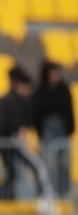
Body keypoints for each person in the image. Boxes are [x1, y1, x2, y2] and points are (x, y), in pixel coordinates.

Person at [0, 66, 56, 215]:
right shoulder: (14, 100)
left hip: (3, 143)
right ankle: (45, 200)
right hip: (13, 141)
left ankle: (2, 198)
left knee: (12, 174)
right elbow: (18, 126)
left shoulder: (3, 100)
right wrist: (19, 132)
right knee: (38, 166)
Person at [33, 61, 74, 198]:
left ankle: (63, 192)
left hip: (62, 130)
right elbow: (37, 112)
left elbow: (69, 111)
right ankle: (47, 192)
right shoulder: (41, 91)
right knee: (47, 163)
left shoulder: (63, 90)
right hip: (47, 130)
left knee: (64, 162)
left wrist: (69, 128)